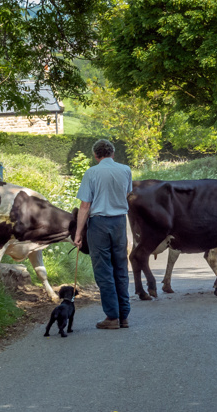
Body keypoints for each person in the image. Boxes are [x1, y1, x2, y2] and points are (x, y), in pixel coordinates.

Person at [73, 139, 133, 330]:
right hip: (120, 222)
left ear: (95, 155)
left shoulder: (92, 173)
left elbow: (85, 205)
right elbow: (126, 194)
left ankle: (112, 316)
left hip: (99, 224)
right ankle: (124, 316)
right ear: (113, 153)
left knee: (103, 270)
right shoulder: (126, 170)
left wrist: (78, 233)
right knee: (121, 267)